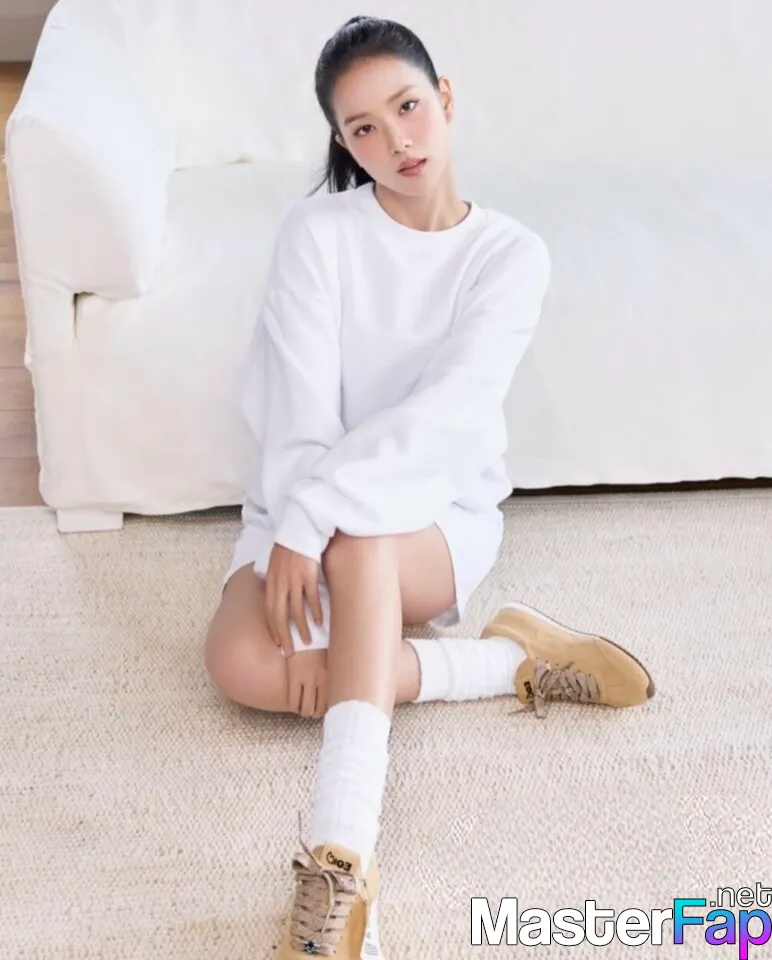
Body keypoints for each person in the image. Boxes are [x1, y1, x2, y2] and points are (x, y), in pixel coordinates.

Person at [204, 15, 656, 959]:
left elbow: (444, 422)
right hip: (301, 503)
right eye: (364, 128)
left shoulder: (509, 255)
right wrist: (302, 530)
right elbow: (295, 413)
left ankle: (342, 860)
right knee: (240, 665)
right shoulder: (317, 234)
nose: (397, 141)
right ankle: (501, 663)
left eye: (408, 107)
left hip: (438, 517)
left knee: (365, 542)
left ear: (444, 98)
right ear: (343, 142)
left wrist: (322, 519)